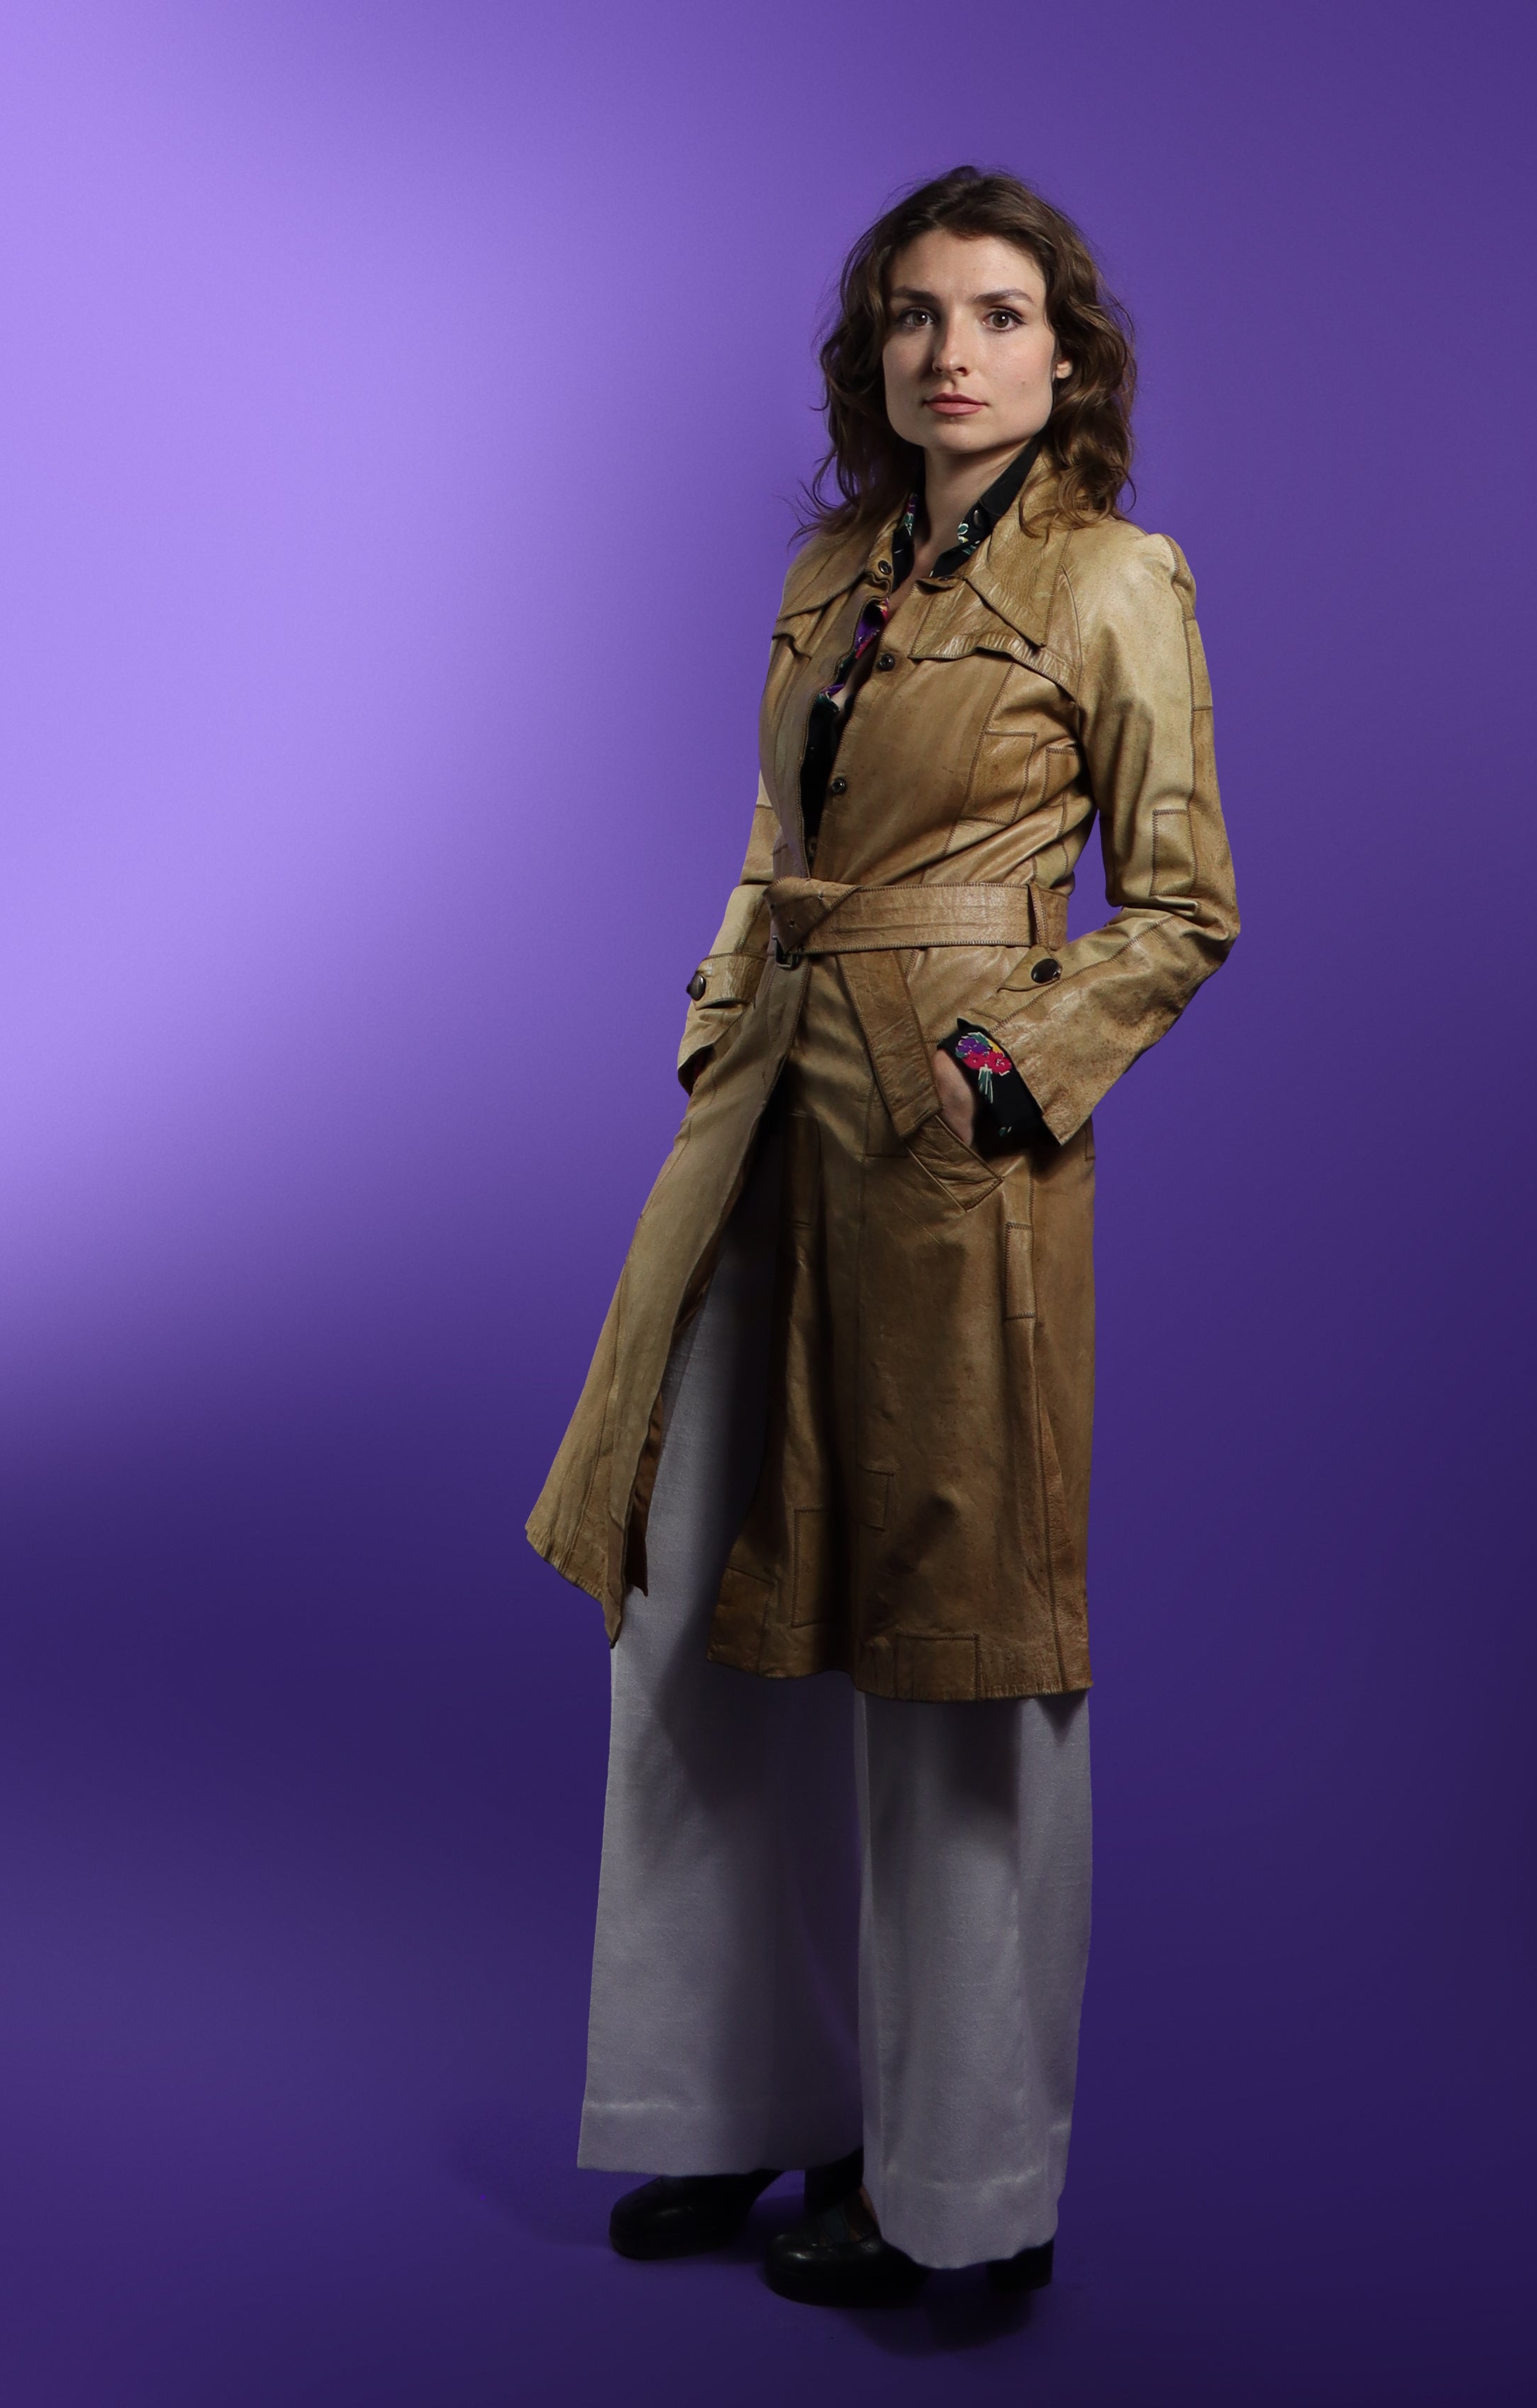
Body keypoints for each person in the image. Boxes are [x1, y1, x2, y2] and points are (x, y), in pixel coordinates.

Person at [527, 165, 1238, 2308]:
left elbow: (1182, 906)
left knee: (955, 1651)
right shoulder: (831, 568)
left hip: (952, 1151)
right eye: (918, 313)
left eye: (1000, 313)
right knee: (691, 1598)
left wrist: (997, 1078)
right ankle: (730, 2098)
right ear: (876, 351)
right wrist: (717, 1020)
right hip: (761, 1121)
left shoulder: (1114, 578)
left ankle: (965, 2195)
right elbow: (778, 840)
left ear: (1067, 355)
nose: (954, 351)